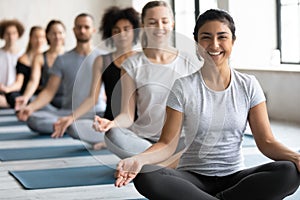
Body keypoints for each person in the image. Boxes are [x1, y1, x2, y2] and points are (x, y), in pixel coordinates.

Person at [114, 9, 300, 200]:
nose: (214, 45)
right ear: (197, 44)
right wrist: (138, 159)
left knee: (289, 171)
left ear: (233, 41)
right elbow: (167, 144)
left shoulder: (248, 85)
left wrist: (296, 157)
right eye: (206, 38)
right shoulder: (182, 87)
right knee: (146, 175)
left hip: (235, 178)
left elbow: (266, 142)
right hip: (192, 179)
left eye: (222, 37)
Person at [93, 1, 200, 158]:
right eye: (152, 22)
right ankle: (158, 162)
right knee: (113, 136)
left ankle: (147, 163)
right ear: (143, 25)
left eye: (164, 21)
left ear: (172, 23)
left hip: (180, 140)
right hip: (144, 140)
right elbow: (127, 115)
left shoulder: (189, 62)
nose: (159, 26)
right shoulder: (131, 64)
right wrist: (111, 123)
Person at [51, 6, 140, 150]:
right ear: (110, 33)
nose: (121, 34)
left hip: (136, 124)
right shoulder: (101, 60)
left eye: (126, 29)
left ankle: (114, 142)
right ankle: (112, 140)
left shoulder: (141, 59)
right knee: (74, 127)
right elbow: (92, 98)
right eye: (116, 30)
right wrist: (70, 118)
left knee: (128, 134)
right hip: (109, 123)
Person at [17, 13, 106, 145]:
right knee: (33, 119)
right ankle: (70, 125)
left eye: (86, 27)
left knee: (80, 126)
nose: (82, 30)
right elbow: (48, 92)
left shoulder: (104, 57)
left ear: (93, 30)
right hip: (67, 111)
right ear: (74, 30)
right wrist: (30, 108)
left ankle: (71, 126)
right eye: (79, 27)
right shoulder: (63, 59)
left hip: (96, 113)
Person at [14, 20, 66, 111]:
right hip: (47, 101)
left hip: (67, 100)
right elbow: (34, 81)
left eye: (60, 33)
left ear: (64, 35)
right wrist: (25, 97)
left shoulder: (71, 56)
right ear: (48, 35)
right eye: (53, 33)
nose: (57, 36)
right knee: (33, 109)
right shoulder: (40, 58)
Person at [0, 26, 46, 108]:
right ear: (30, 38)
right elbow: (19, 83)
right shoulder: (23, 58)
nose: (39, 40)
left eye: (42, 37)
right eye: (36, 37)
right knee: (12, 95)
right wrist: (7, 89)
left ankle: (26, 103)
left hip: (41, 93)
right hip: (25, 93)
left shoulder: (47, 57)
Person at [0, 19, 25, 108]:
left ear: (18, 34)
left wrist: (7, 89)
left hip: (15, 91)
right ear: (3, 35)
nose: (11, 37)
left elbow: (20, 81)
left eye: (14, 33)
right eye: (8, 33)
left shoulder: (23, 55)